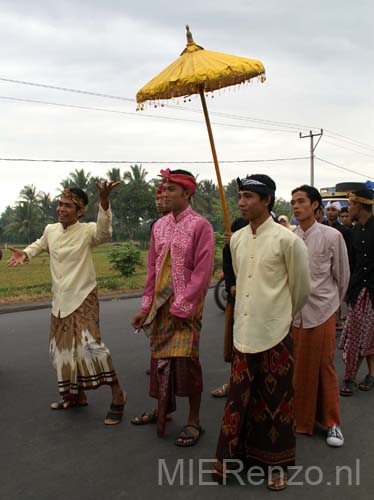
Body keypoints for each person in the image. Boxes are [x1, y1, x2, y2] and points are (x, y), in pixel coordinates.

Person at [212, 174, 310, 491]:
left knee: (276, 403)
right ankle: (233, 458)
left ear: (266, 200)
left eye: (248, 197)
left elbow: (300, 290)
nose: (241, 202)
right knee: (239, 400)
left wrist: (280, 317)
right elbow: (241, 282)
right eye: (239, 196)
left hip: (276, 333)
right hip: (244, 332)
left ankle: (277, 467)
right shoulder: (237, 240)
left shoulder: (288, 241)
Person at [7, 183, 127, 425]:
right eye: (60, 204)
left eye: (68, 206)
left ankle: (118, 394)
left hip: (83, 297)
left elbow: (105, 233)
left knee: (89, 347)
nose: (61, 209)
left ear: (80, 211)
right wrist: (26, 253)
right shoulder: (51, 229)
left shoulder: (87, 230)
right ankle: (75, 396)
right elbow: (40, 244)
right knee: (61, 352)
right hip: (60, 300)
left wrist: (104, 202)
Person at [131, 168, 214, 446]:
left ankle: (194, 420)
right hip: (160, 307)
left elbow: (203, 273)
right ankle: (162, 411)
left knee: (187, 364)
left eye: (170, 189)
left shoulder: (201, 226)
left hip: (186, 309)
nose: (163, 193)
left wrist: (185, 305)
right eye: (163, 188)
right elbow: (152, 271)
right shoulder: (159, 226)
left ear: (187, 193)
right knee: (159, 362)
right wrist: (145, 308)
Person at [291, 185, 349, 447]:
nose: (295, 206)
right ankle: (300, 419)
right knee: (299, 366)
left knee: (324, 365)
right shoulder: (290, 238)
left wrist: (332, 306)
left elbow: (342, 276)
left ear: (315, 205)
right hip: (295, 314)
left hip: (323, 310)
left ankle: (332, 422)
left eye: (301, 201)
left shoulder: (332, 236)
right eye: (293, 202)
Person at [339, 189, 374, 395]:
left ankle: (351, 377)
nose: (348, 208)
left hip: (371, 291)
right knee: (357, 335)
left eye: (351, 204)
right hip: (357, 290)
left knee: (364, 336)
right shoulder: (354, 231)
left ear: (359, 206)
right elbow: (352, 263)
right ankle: (355, 376)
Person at [210, 218, 248, 398]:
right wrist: (231, 285)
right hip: (236, 303)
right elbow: (227, 267)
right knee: (236, 346)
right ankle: (235, 382)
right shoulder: (229, 248)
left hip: (261, 307)